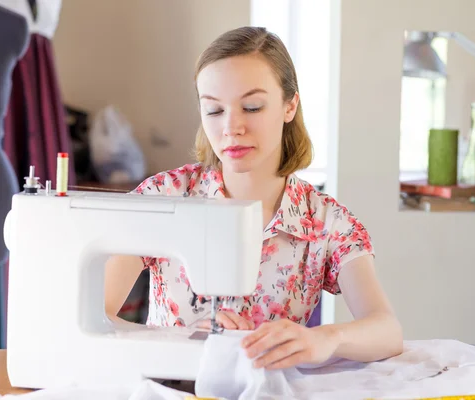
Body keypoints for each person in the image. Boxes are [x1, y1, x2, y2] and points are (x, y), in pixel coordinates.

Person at [105, 26, 403, 370]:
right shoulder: (163, 198)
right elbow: (95, 315)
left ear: (289, 105)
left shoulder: (325, 222)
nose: (231, 127)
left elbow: (387, 330)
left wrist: (326, 337)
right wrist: (184, 341)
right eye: (214, 111)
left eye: (252, 106)